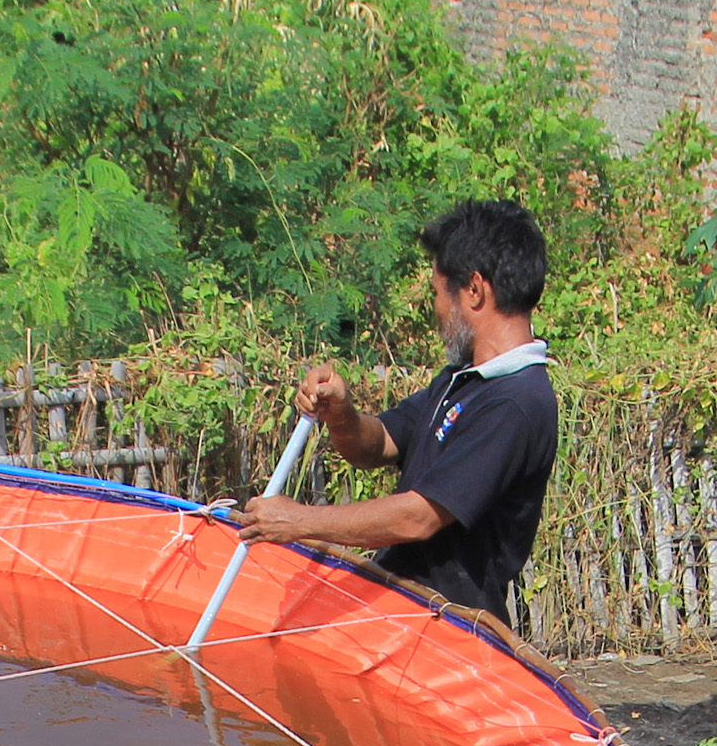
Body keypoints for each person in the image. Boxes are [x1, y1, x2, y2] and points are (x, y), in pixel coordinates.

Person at [239, 198, 560, 624]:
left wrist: (299, 521)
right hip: (402, 610)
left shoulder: (515, 402)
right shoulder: (462, 378)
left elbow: (420, 516)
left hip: (447, 632)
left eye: (436, 294)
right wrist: (341, 414)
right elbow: (377, 445)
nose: (437, 312)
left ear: (475, 290)